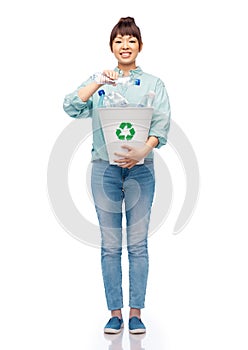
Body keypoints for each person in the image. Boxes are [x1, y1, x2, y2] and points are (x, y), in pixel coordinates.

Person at [63, 17, 171, 334]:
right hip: (104, 170)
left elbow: (161, 125)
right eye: (119, 41)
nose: (125, 46)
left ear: (140, 46)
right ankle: (115, 313)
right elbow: (70, 106)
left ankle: (136, 313)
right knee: (111, 245)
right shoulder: (101, 81)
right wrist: (97, 81)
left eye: (131, 40)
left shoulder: (154, 84)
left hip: (142, 171)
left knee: (137, 245)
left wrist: (142, 151)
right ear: (111, 47)